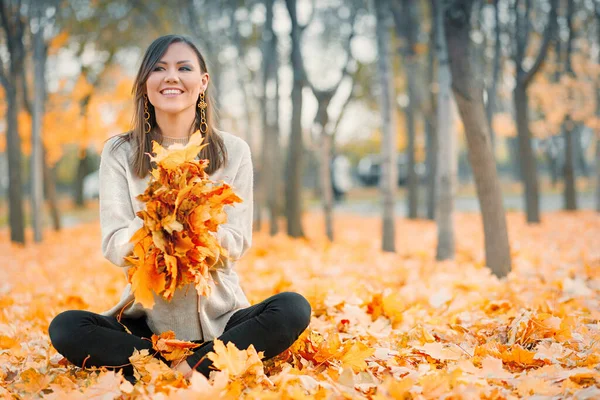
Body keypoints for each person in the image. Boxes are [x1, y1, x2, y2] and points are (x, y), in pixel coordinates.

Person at [48, 34, 311, 382]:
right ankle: (175, 366)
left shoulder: (233, 151)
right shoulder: (119, 152)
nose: (171, 76)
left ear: (202, 83)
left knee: (293, 308)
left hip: (222, 320)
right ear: (145, 84)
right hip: (147, 325)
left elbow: (236, 241)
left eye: (183, 67)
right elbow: (114, 243)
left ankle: (185, 367)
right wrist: (158, 229)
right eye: (159, 68)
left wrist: (191, 228)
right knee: (65, 328)